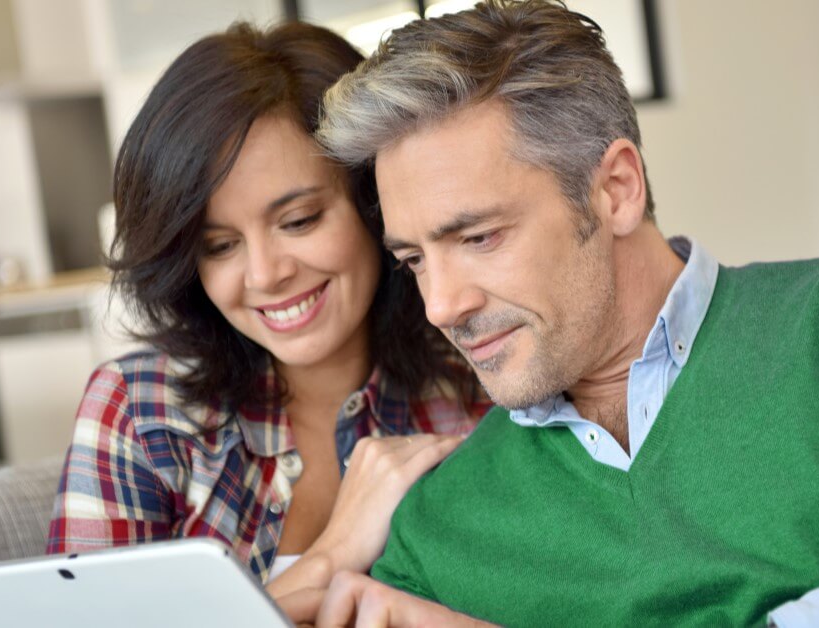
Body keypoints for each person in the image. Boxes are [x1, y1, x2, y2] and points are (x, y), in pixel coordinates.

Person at [307, 1, 819, 625]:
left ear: (616, 189)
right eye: (414, 260)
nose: (442, 305)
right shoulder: (435, 531)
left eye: (479, 237)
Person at [44, 20, 490, 612]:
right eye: (219, 245)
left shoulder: (474, 386)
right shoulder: (142, 413)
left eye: (299, 220)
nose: (264, 274)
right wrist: (331, 556)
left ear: (374, 205)